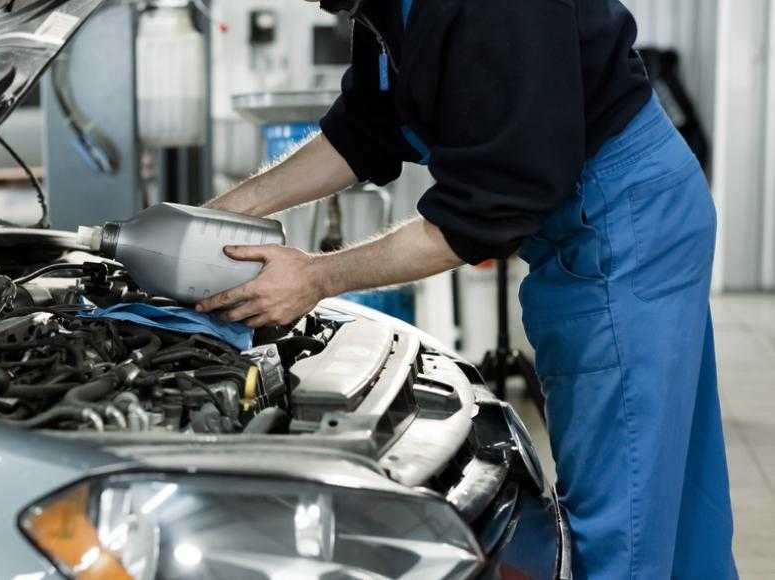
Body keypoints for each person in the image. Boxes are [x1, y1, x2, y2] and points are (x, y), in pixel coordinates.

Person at [197, 0, 738, 577]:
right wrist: (219, 213)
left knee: (620, 522)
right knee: (667, 492)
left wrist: (315, 277)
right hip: (608, 211)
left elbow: (483, 211)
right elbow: (364, 129)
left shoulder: (497, 10)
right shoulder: (386, 6)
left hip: (620, 222)